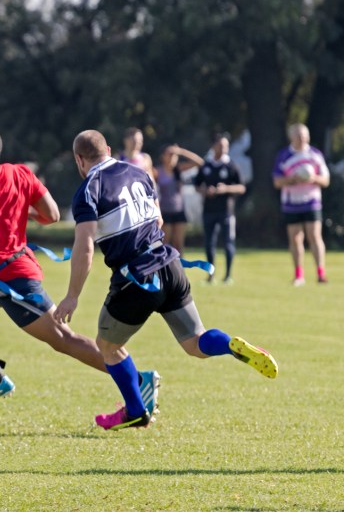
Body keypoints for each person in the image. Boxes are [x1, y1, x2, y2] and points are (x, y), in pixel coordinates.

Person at [54, 130, 278, 430]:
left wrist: (72, 296)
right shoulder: (139, 173)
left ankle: (135, 410)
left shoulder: (88, 190)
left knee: (107, 345)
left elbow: (84, 247)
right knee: (196, 342)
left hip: (137, 278)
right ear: (108, 149)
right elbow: (158, 220)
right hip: (170, 265)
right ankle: (229, 345)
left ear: (79, 160)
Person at [0, 124, 160, 408]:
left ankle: (138, 380)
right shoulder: (21, 173)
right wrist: (18, 212)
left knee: (64, 338)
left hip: (13, 281)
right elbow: (50, 214)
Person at [272, 123, 331, 286]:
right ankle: (299, 275)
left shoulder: (315, 155)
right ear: (291, 137)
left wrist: (313, 179)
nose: (302, 138)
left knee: (314, 236)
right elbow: (277, 182)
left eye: (305, 135)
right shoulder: (284, 156)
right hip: (291, 203)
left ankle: (321, 272)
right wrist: (292, 179)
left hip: (312, 201)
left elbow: (326, 180)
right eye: (298, 135)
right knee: (296, 239)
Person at [193, 133, 245, 284]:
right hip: (208, 210)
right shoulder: (206, 166)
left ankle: (228, 275)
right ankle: (211, 275)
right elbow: (197, 185)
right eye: (221, 145)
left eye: (226, 146)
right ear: (214, 146)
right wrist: (205, 191)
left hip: (226, 211)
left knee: (228, 243)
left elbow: (241, 187)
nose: (224, 149)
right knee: (209, 244)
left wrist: (226, 189)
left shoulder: (231, 165)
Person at [154, 144, 205, 254]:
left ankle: (180, 270)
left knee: (179, 245)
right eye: (170, 154)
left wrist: (181, 151)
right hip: (165, 211)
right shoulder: (158, 171)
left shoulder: (179, 170)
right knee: (165, 244)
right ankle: (165, 269)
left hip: (179, 211)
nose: (172, 157)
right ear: (163, 156)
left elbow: (200, 163)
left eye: (174, 155)